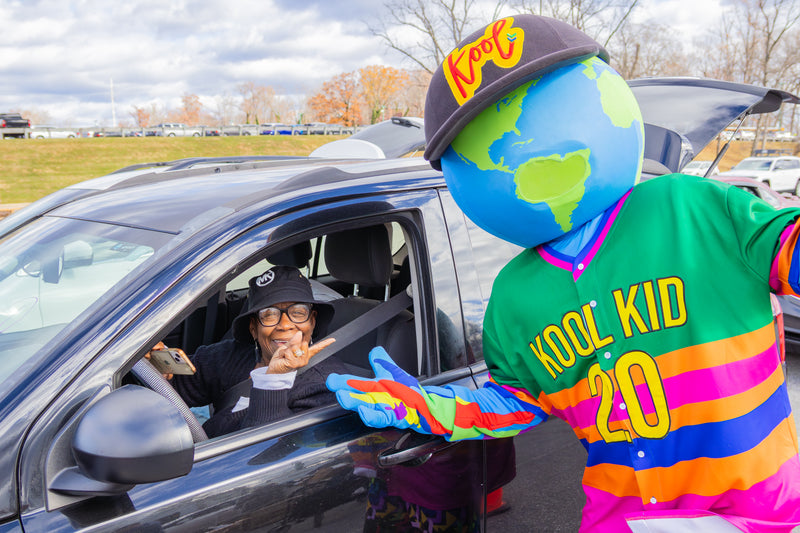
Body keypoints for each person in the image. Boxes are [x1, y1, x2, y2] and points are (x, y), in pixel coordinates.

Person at [327, 14, 800, 532]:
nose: (525, 150)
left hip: (756, 515)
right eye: (483, 147)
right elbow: (514, 400)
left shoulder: (693, 207)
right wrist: (422, 408)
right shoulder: (513, 296)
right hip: (619, 520)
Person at [154, 265, 340, 438]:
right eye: (269, 314)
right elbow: (177, 385)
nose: (285, 325)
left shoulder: (325, 385)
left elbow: (269, 449)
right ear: (253, 328)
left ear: (312, 321)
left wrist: (274, 380)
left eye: (298, 313)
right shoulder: (232, 355)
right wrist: (158, 366)